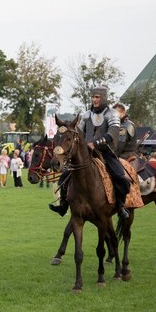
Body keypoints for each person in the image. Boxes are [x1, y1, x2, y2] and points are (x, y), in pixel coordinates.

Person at [49, 86, 130, 219]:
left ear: (103, 98)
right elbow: (79, 133)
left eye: (97, 97)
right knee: (65, 176)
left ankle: (120, 206)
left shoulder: (112, 114)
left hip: (106, 151)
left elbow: (113, 133)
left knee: (120, 177)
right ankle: (64, 205)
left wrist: (96, 143)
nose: (94, 99)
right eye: (93, 97)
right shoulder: (87, 115)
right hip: (86, 152)